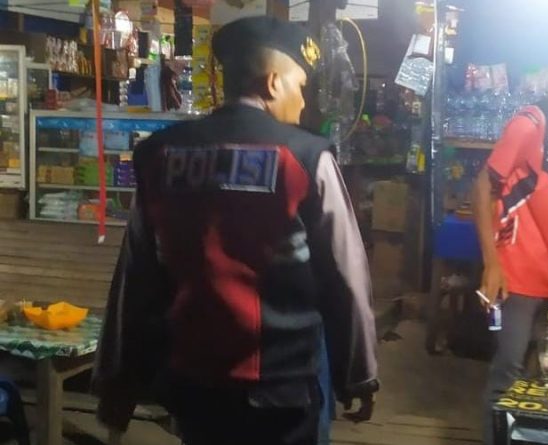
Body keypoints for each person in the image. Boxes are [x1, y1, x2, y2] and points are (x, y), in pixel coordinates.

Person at [92, 16, 379, 445]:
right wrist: (359, 374)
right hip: (283, 387)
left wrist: (118, 381)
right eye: (300, 86)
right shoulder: (306, 157)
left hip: (194, 386)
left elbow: (136, 277)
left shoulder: (160, 154)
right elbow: (346, 275)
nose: (303, 102)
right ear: (273, 83)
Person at [472, 66, 548, 445]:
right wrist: (491, 264)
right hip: (519, 277)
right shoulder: (530, 124)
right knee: (508, 376)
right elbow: (482, 187)